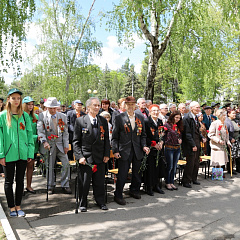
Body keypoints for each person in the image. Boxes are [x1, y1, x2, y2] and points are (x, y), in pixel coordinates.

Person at [0, 88, 34, 217]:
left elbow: (30, 135)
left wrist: (30, 152)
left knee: (20, 181)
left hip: (23, 154)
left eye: (18, 98)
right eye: (13, 98)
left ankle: (18, 206)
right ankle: (11, 207)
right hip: (8, 154)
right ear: (8, 99)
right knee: (9, 181)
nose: (16, 100)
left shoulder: (25, 116)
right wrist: (1, 154)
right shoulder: (3, 116)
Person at [73, 97, 110, 212]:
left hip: (99, 156)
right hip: (86, 157)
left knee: (99, 181)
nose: (97, 107)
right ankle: (83, 202)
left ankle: (100, 201)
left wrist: (106, 154)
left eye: (98, 105)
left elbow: (106, 140)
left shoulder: (102, 121)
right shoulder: (80, 121)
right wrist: (80, 156)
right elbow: (76, 141)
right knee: (84, 182)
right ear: (88, 107)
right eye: (95, 105)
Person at [112, 96, 150, 205]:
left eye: (132, 105)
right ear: (125, 106)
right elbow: (115, 137)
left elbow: (143, 135)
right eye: (128, 105)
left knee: (137, 173)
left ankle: (134, 190)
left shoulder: (140, 117)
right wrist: (115, 150)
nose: (130, 107)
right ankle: (118, 195)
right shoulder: (119, 118)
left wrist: (144, 146)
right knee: (123, 174)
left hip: (137, 149)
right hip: (124, 150)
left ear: (135, 106)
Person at [37, 97, 71, 194]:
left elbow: (65, 132)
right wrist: (44, 141)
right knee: (50, 166)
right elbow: (40, 131)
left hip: (60, 144)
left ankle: (65, 184)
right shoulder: (42, 116)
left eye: (54, 108)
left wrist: (66, 145)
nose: (52, 110)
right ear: (46, 107)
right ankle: (50, 185)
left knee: (66, 164)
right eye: (50, 108)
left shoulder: (62, 116)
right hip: (49, 144)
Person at [182, 101, 206, 188]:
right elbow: (187, 134)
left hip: (197, 142)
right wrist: (193, 145)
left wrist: (201, 137)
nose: (198, 109)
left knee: (196, 162)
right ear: (191, 108)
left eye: (199, 107)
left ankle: (194, 178)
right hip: (190, 144)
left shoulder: (195, 117)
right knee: (190, 163)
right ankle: (186, 181)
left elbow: (196, 131)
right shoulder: (187, 118)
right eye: (197, 107)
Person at [144, 104, 165, 196]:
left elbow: (162, 134)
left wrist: (161, 142)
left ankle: (157, 185)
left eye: (157, 111)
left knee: (158, 168)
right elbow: (144, 136)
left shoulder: (160, 121)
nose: (156, 112)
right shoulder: (146, 121)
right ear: (150, 112)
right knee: (150, 169)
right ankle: (149, 187)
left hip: (159, 149)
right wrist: (153, 144)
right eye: (153, 111)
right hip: (151, 148)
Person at [22, 96, 39, 194]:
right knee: (21, 167)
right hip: (23, 145)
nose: (31, 106)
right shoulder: (21, 116)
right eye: (28, 104)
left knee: (31, 166)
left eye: (32, 104)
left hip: (33, 146)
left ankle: (29, 186)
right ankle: (20, 187)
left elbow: (39, 130)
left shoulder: (35, 117)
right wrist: (36, 137)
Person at [164, 111, 183, 191]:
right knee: (170, 166)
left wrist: (180, 139)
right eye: (176, 117)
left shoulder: (179, 126)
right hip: (169, 147)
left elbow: (180, 135)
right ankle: (167, 182)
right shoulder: (167, 125)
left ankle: (172, 182)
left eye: (179, 118)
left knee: (174, 166)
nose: (177, 119)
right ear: (172, 117)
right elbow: (164, 136)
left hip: (177, 148)